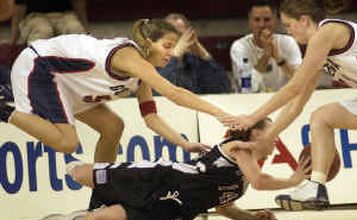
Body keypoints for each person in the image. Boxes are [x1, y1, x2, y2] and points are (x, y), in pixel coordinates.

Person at [220, 0, 357, 211]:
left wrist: (252, 119)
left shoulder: (328, 32)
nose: (287, 31)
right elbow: (296, 105)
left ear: (303, 20)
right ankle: (316, 187)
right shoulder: (319, 52)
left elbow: (293, 87)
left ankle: (315, 186)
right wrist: (268, 138)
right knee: (322, 117)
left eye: (288, 25)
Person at [0, 19, 228, 164]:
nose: (170, 53)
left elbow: (151, 117)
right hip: (41, 65)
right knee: (67, 143)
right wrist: (222, 114)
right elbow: (175, 94)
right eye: (166, 46)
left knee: (113, 126)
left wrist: (184, 144)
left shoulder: (141, 73)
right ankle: (3, 109)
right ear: (149, 43)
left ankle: (102, 190)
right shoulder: (130, 56)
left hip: (68, 84)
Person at [39, 118, 310, 220]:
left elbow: (223, 207)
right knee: (80, 173)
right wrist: (294, 180)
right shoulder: (237, 149)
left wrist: (254, 218)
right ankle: (71, 160)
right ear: (254, 134)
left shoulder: (242, 180)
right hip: (160, 178)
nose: (276, 138)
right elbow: (262, 182)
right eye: (270, 131)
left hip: (166, 211)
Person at [230, 0, 302, 93]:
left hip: (284, 98)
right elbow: (248, 89)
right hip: (252, 101)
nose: (262, 25)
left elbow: (300, 81)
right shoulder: (239, 47)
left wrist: (279, 59)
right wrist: (266, 55)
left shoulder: (288, 42)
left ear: (275, 21)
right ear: (250, 22)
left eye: (267, 20)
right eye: (257, 20)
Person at [157, 13, 231, 94]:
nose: (180, 40)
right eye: (172, 35)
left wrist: (204, 55)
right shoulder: (155, 61)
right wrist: (175, 55)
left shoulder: (194, 60)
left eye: (182, 35)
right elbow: (160, 92)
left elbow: (223, 89)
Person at [10, 0, 89, 45]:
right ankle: (39, 67)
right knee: (43, 32)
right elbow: (18, 11)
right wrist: (13, 40)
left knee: (75, 29)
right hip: (35, 16)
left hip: (65, 15)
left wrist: (86, 30)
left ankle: (79, 67)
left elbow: (80, 6)